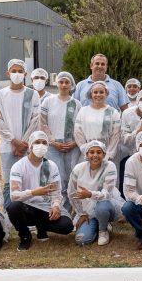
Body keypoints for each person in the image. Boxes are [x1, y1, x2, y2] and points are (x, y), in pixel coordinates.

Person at [7, 131, 74, 251]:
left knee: (67, 226)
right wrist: (33, 193)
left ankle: (42, 227)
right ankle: (25, 236)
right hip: (27, 208)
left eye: (44, 143)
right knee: (13, 207)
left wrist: (56, 206)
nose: (41, 145)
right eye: (37, 142)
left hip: (46, 208)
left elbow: (56, 192)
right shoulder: (19, 166)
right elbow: (14, 196)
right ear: (30, 145)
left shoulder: (51, 166)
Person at [0, 59, 41, 207]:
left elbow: (35, 119)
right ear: (8, 73)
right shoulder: (0, 95)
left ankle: (29, 216)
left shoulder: (32, 95)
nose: (17, 74)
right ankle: (8, 215)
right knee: (9, 181)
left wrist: (23, 144)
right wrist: (14, 141)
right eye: (14, 71)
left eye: (20, 71)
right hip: (8, 147)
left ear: (25, 74)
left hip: (27, 147)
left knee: (29, 180)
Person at [68, 140, 124, 246]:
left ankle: (103, 230)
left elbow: (107, 194)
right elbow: (72, 193)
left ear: (104, 154)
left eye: (99, 152)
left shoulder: (109, 166)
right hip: (87, 211)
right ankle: (98, 224)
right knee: (82, 240)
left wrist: (90, 194)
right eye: (92, 152)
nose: (95, 155)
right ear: (86, 154)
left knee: (102, 206)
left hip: (106, 204)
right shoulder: (78, 169)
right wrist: (82, 213)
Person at [39, 71, 81, 213]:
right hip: (53, 146)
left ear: (71, 85)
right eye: (61, 82)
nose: (63, 85)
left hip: (72, 146)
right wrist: (52, 141)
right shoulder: (48, 101)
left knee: (70, 177)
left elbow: (80, 127)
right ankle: (57, 208)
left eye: (66, 82)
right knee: (57, 177)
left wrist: (75, 142)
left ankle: (70, 209)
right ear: (57, 83)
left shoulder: (77, 104)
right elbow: (43, 123)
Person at [73, 82, 122, 163]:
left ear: (106, 94)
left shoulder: (113, 112)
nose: (98, 95)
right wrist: (87, 150)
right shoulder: (83, 111)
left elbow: (116, 135)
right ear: (91, 94)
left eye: (101, 92)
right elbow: (78, 133)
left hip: (107, 154)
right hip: (89, 153)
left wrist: (108, 154)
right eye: (95, 92)